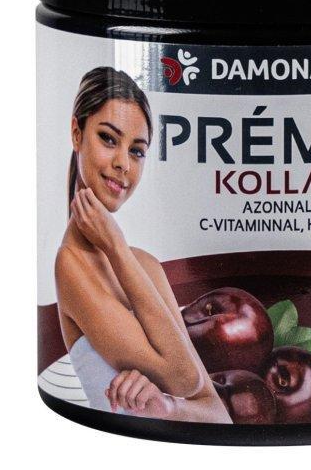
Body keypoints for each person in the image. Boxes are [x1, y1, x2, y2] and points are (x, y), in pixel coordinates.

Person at [55, 67, 230, 422]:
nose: (123, 164)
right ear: (77, 133)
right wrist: (116, 247)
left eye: (137, 151)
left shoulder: (145, 265)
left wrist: (167, 407)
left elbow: (217, 415)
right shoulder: (71, 265)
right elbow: (183, 378)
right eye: (108, 138)